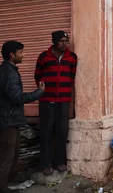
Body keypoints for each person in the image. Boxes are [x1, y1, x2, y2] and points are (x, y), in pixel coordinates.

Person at [0, 41, 45, 193]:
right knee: (7, 156)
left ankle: (5, 182)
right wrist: (38, 93)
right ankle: (2, 187)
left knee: (13, 154)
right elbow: (17, 97)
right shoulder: (9, 73)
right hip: (7, 121)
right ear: (12, 55)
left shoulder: (9, 70)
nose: (23, 55)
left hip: (9, 119)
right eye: (21, 52)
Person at [34, 31, 77, 175]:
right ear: (54, 42)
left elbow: (72, 77)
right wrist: (46, 91)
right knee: (46, 132)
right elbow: (38, 76)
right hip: (47, 100)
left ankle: (60, 162)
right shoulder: (44, 56)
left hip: (63, 101)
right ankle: (46, 164)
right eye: (61, 41)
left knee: (62, 131)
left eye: (67, 41)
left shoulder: (72, 57)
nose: (65, 44)